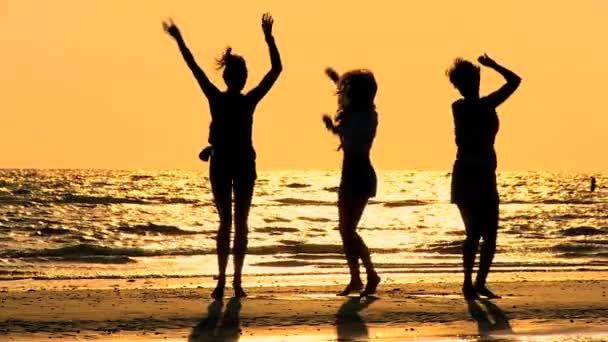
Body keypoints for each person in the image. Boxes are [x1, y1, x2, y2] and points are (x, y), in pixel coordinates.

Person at [163, 13, 282, 299]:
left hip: (226, 163)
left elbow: (193, 67)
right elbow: (277, 68)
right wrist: (269, 39)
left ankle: (226, 281)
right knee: (238, 223)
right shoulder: (246, 100)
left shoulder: (219, 98)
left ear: (228, 77)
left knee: (228, 223)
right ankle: (234, 282)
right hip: (237, 163)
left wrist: (179, 40)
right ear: (240, 78)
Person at [446, 54, 521, 299]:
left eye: (476, 80)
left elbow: (515, 81)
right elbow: (513, 82)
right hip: (468, 174)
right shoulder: (462, 106)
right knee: (474, 232)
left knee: (490, 233)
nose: (474, 85)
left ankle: (479, 283)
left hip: (486, 175)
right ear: (460, 85)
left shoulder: (487, 104)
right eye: (468, 82)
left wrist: (494, 65)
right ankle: (468, 282)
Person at [323, 68, 380, 297]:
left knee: (348, 229)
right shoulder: (363, 114)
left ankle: (369, 274)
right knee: (345, 230)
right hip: (353, 173)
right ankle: (356, 277)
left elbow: (351, 134)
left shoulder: (362, 116)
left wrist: (334, 127)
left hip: (358, 173)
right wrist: (338, 80)